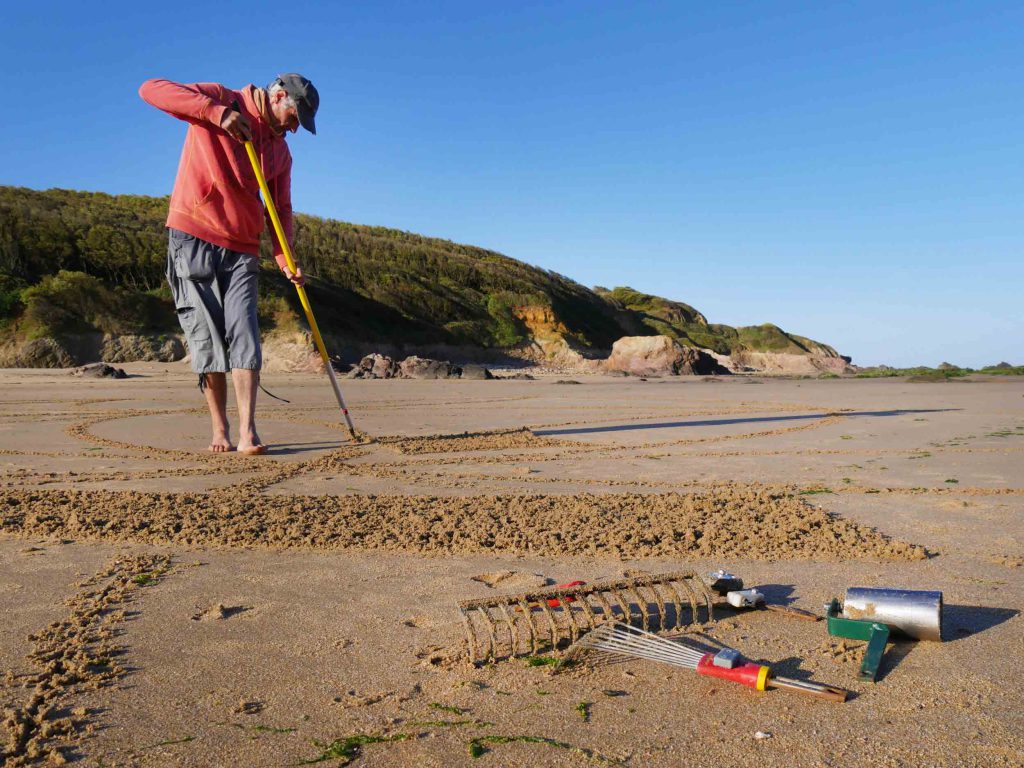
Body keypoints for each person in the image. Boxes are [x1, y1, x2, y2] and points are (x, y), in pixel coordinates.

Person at [139, 74, 319, 454]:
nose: (294, 129)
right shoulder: (223, 99)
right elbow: (150, 89)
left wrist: (285, 256)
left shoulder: (281, 152)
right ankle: (219, 430)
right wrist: (216, 114)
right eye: (294, 117)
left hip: (243, 247)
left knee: (245, 333)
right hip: (193, 233)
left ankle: (247, 431)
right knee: (207, 336)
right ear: (279, 95)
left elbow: (280, 208)